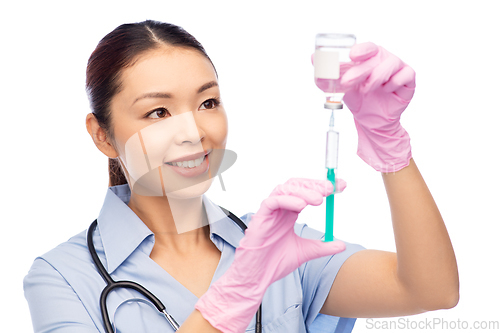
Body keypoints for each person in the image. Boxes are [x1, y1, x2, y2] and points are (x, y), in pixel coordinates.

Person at [23, 20, 459, 333]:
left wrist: (391, 148)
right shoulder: (62, 277)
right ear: (102, 136)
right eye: (158, 112)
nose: (194, 132)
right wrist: (234, 295)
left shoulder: (274, 246)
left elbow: (429, 290)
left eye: (207, 103)